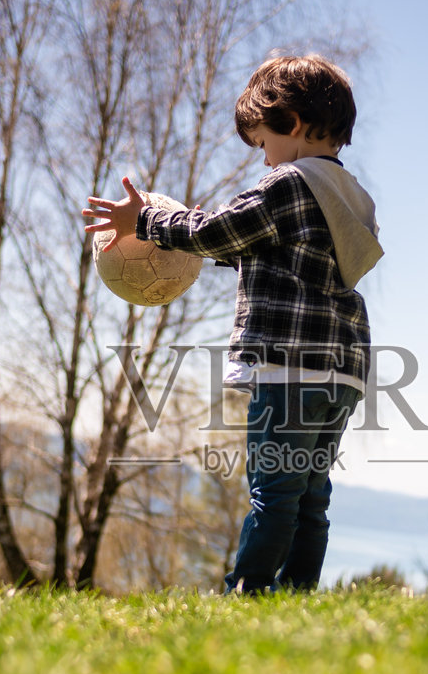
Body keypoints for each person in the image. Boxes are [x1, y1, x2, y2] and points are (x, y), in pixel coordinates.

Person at [83, 53, 382, 593]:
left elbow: (221, 230)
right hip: (342, 373)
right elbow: (271, 252)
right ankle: (295, 593)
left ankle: (247, 590)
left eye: (263, 142)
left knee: (273, 492)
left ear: (291, 124)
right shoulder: (351, 197)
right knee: (311, 496)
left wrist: (144, 221)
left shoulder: (289, 184)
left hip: (288, 369)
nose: (264, 159)